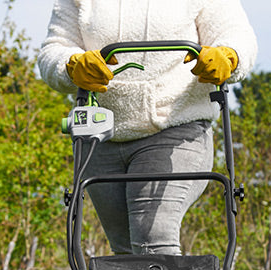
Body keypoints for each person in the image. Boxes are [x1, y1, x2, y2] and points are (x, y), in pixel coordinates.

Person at [38, 0, 257, 255]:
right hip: (100, 135)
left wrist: (229, 57)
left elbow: (236, 36)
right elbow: (54, 49)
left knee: (152, 240)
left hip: (175, 127)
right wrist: (72, 65)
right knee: (125, 250)